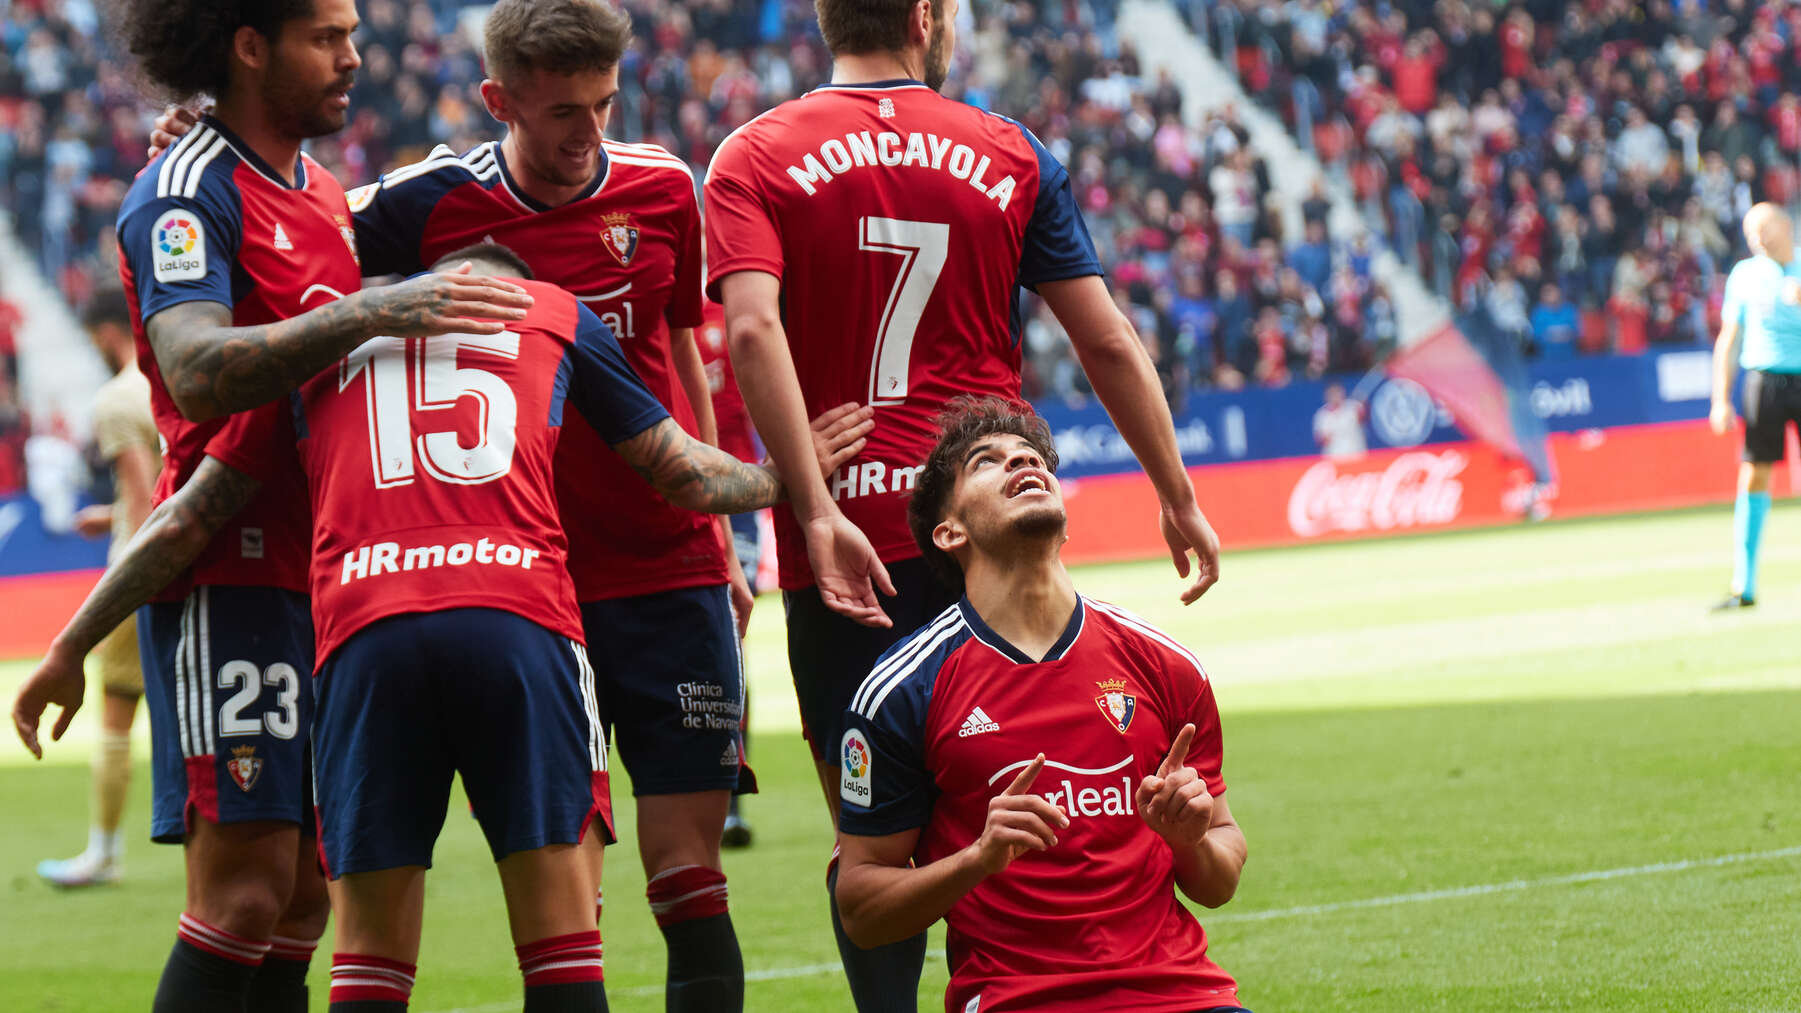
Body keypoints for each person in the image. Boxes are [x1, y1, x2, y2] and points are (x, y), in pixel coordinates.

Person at [151, 8, 872, 1001]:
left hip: (663, 563)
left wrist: (723, 542)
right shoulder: (412, 203)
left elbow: (675, 352)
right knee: (567, 884)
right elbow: (292, 235)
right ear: (500, 104)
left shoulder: (664, 186)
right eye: (562, 112)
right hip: (528, 573)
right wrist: (203, 157)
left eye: (605, 104)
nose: (588, 132)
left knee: (687, 872)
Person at [14, 245, 796, 1012]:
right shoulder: (554, 313)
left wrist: (69, 645)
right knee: (561, 944)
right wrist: (787, 475)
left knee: (369, 958)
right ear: (509, 287)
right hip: (518, 620)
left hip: (365, 634)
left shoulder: (319, 338)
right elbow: (682, 471)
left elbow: (185, 518)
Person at [703, 1, 1221, 1004]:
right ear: (925, 17)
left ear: (824, 20)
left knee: (875, 843)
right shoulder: (1008, 150)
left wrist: (812, 508)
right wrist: (1175, 491)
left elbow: (754, 333)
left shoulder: (752, 153)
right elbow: (1105, 338)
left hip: (852, 541)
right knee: (1041, 810)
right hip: (987, 535)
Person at [19, 4, 532, 1011]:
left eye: (351, 31)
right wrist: (374, 307)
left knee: (303, 896)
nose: (354, 56)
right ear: (249, 42)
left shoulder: (325, 193)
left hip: (332, 572)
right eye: (326, 35)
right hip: (231, 573)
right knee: (245, 891)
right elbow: (198, 368)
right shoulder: (182, 190)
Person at [835, 396, 1249, 1013]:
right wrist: (977, 860)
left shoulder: (1167, 666)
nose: (1022, 462)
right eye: (987, 461)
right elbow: (863, 911)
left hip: (1181, 996)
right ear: (950, 532)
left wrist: (1187, 839)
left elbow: (1218, 879)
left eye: (1031, 458)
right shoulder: (901, 691)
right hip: (1017, 1001)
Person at [36, 288, 159, 889]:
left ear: (107, 332)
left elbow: (144, 504)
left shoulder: (117, 399)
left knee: (116, 708)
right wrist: (108, 514)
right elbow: (174, 489)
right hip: (201, 567)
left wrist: (127, 571)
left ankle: (103, 853)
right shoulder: (177, 380)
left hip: (143, 576)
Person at [1709, 202, 1801, 610]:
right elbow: (1729, 338)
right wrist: (1720, 399)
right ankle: (1743, 584)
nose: (1755, 238)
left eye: (1761, 228)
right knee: (1753, 476)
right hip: (1763, 379)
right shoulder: (1744, 275)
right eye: (1749, 232)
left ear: (1784, 225)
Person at [698, 296, 764, 848]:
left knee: (728, 638)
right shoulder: (650, 316)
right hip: (672, 486)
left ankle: (732, 804)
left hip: (737, 494)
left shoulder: (732, 315)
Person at [1312, 382, 1366, 459]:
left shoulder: (1353, 406)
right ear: (1326, 396)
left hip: (1356, 455)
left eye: (1338, 392)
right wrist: (1325, 439)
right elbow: (1319, 439)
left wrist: (1363, 406)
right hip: (1334, 457)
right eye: (1332, 393)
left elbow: (1363, 418)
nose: (1335, 396)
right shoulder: (1322, 415)